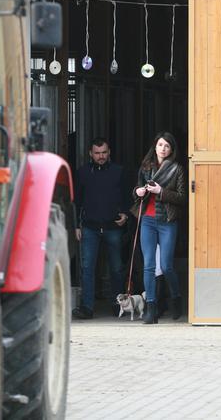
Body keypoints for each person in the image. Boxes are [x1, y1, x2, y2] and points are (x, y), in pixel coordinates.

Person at [72, 137, 130, 320]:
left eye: (104, 152)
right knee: (87, 268)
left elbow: (128, 196)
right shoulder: (82, 173)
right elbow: (76, 201)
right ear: (91, 153)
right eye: (97, 153)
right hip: (89, 227)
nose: (101, 156)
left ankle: (118, 304)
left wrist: (126, 214)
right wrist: (76, 225)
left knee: (116, 268)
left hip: (113, 226)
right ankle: (87, 308)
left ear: (109, 152)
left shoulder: (119, 172)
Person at [132, 131, 186, 324]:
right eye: (160, 145)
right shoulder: (146, 167)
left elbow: (182, 197)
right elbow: (136, 190)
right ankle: (151, 309)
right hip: (147, 219)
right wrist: (138, 191)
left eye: (167, 146)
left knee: (166, 265)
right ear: (155, 146)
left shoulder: (177, 169)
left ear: (171, 150)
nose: (163, 149)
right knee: (148, 265)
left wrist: (161, 192)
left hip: (167, 221)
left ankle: (176, 298)